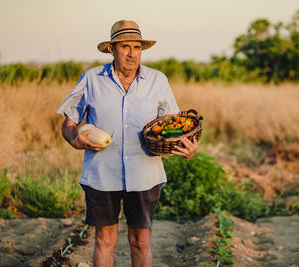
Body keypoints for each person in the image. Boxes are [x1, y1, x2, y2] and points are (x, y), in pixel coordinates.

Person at [56, 20, 198, 267]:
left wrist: (187, 148)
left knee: (141, 241)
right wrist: (75, 141)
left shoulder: (158, 80)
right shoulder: (91, 79)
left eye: (137, 47)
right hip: (102, 173)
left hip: (145, 173)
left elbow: (175, 125)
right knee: (104, 240)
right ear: (112, 49)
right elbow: (69, 123)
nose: (132, 53)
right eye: (125, 47)